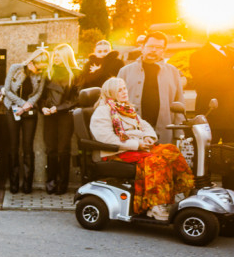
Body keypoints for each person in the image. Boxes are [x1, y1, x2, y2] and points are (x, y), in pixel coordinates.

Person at [90, 77, 194, 220]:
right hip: (119, 152)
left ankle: (185, 192)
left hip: (137, 148)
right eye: (119, 90)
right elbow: (106, 138)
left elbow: (145, 126)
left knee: (171, 150)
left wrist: (148, 137)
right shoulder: (103, 111)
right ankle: (155, 206)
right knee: (157, 161)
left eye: (124, 88)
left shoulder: (126, 108)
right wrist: (136, 144)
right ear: (110, 93)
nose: (124, 92)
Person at [119, 31, 184, 144]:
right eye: (150, 46)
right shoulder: (125, 71)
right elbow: (115, 102)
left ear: (164, 51)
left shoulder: (173, 72)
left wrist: (179, 134)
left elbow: (179, 102)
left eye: (159, 47)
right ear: (142, 47)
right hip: (133, 133)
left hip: (164, 132)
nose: (154, 50)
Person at [1, 49, 47, 194]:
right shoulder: (15, 68)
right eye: (38, 68)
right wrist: (22, 104)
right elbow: (7, 90)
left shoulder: (41, 74)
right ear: (31, 62)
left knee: (28, 146)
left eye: (42, 69)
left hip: (30, 111)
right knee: (13, 146)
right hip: (12, 109)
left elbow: (38, 93)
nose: (39, 71)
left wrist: (28, 105)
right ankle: (14, 183)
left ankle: (27, 184)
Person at [41, 45, 80, 194]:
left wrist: (58, 108)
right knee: (50, 149)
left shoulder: (76, 73)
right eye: (55, 55)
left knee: (63, 149)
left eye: (59, 55)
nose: (56, 58)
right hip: (49, 115)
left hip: (65, 115)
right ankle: (50, 181)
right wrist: (43, 107)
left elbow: (76, 98)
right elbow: (42, 95)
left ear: (66, 56)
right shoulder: (49, 72)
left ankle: (62, 183)